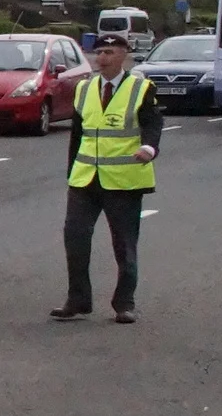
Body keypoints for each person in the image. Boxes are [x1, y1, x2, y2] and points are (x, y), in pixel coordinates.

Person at [53, 32, 162, 325]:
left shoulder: (140, 88)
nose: (102, 58)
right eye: (99, 52)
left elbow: (153, 123)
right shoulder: (84, 88)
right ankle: (78, 299)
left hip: (123, 179)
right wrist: (72, 172)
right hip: (85, 178)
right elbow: (78, 134)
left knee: (124, 243)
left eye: (110, 53)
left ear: (124, 55)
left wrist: (149, 148)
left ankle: (124, 303)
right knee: (75, 237)